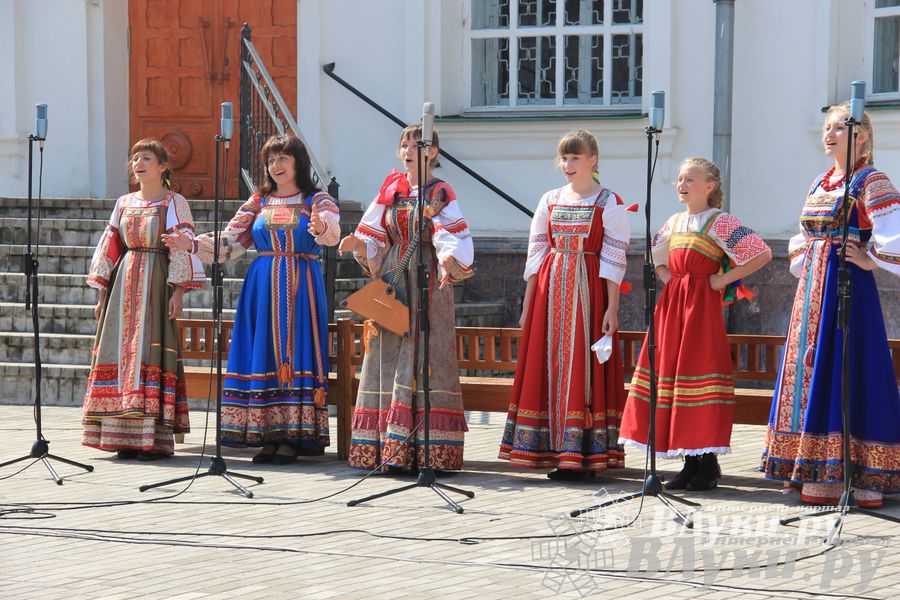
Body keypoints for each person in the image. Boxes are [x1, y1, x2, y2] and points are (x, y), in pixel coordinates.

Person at [163, 134, 339, 465]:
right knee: (263, 353)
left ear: (298, 162)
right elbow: (231, 241)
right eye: (271, 160)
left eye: (283, 158)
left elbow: (332, 233)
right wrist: (191, 245)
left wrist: (320, 226)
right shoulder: (258, 201)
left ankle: (291, 437)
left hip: (301, 285)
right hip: (262, 285)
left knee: (295, 352)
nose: (276, 165)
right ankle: (267, 436)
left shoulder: (317, 199)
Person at [761, 104, 900, 508]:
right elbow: (803, 235)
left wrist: (870, 258)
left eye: (841, 127)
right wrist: (813, 257)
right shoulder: (820, 183)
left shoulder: (870, 180)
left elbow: (893, 231)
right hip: (812, 292)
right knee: (809, 367)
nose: (830, 133)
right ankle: (809, 465)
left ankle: (858, 474)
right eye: (827, 127)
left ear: (864, 136)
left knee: (848, 367)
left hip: (848, 290)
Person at [619, 157, 772, 491]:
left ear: (710, 186)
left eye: (690, 179)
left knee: (694, 371)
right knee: (671, 375)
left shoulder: (719, 222)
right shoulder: (673, 222)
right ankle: (690, 462)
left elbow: (761, 253)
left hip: (701, 308)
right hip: (674, 306)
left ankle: (706, 463)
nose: (682, 185)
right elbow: (655, 257)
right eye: (679, 179)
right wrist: (668, 278)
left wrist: (723, 280)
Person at [339, 124, 474, 471]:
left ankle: (426, 451)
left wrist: (446, 257)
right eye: (404, 144)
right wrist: (358, 243)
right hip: (393, 278)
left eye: (417, 144)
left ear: (432, 152)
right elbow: (375, 233)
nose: (409, 150)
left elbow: (452, 233)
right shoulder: (391, 189)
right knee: (387, 355)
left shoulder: (441, 191)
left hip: (426, 278)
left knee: (422, 355)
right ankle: (387, 448)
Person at [498, 129, 630, 480]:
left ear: (593, 160)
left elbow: (615, 259)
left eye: (575, 157)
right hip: (549, 292)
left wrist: (611, 309)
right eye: (564, 158)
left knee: (583, 370)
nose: (568, 164)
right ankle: (553, 451)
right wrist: (527, 305)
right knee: (548, 367)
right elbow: (536, 252)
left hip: (589, 293)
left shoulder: (608, 202)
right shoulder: (550, 199)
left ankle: (583, 456)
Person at [83, 138, 205, 459]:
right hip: (124, 282)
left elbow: (181, 244)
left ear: (163, 166)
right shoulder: (123, 203)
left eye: (146, 158)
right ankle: (119, 436)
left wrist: (178, 290)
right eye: (135, 158)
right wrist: (102, 292)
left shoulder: (173, 202)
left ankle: (151, 438)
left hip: (155, 280)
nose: (138, 163)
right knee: (119, 353)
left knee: (149, 353)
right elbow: (110, 244)